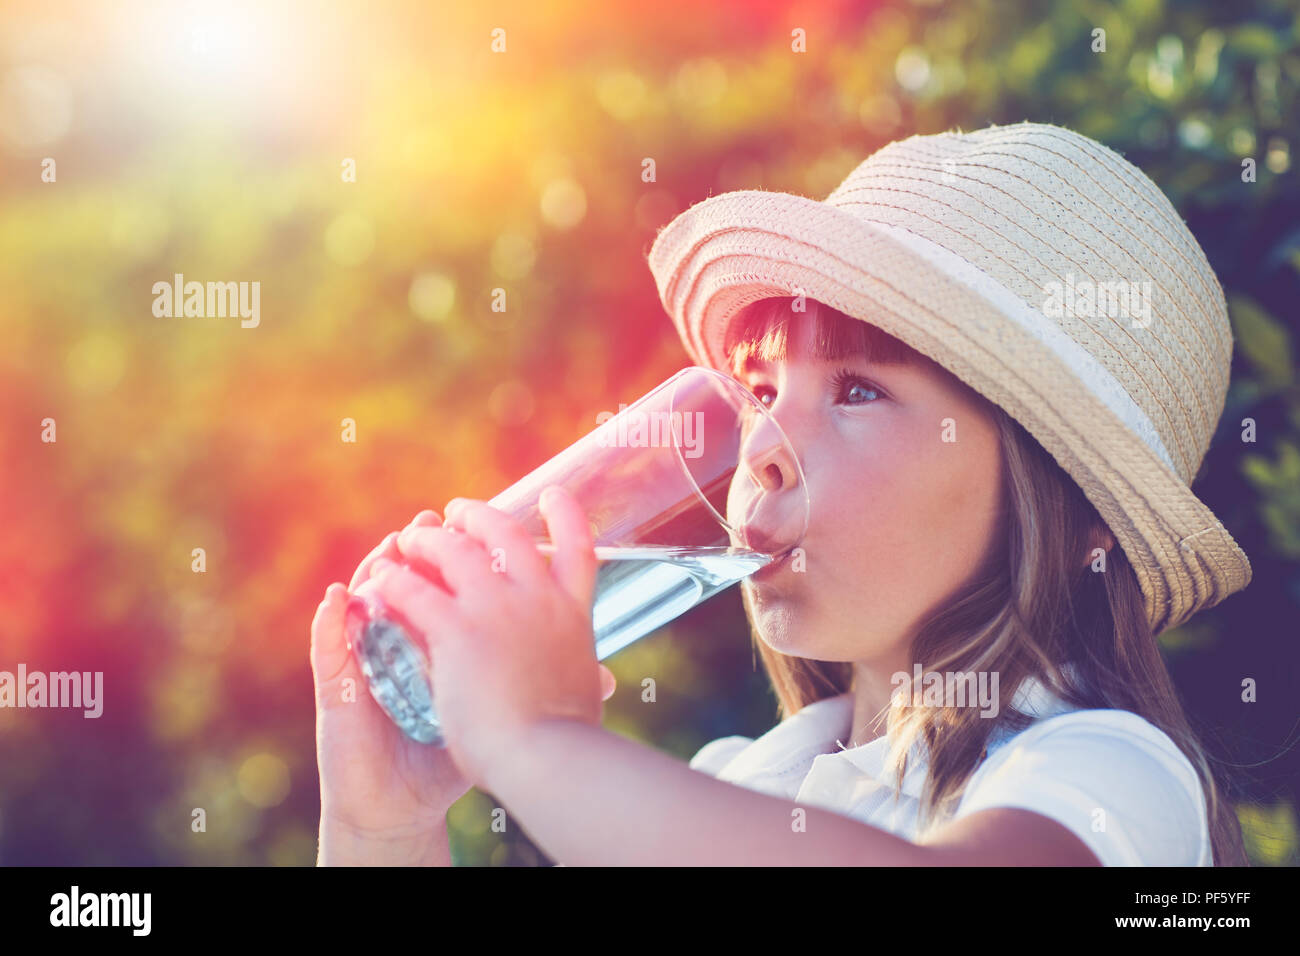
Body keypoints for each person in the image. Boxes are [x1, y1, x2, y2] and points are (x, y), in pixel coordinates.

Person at [312, 121, 1252, 866]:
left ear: (1080, 511)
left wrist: (539, 745)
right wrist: (381, 833)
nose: (761, 446)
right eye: (762, 393)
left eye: (857, 391)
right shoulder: (746, 784)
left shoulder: (1111, 776)